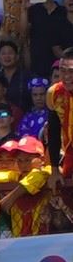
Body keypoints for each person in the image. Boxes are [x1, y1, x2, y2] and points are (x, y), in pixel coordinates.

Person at [27, 0, 65, 79]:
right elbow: (23, 33)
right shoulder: (33, 11)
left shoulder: (63, 11)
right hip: (38, 63)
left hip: (59, 64)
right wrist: (24, 9)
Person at [46, 47, 73, 186]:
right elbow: (54, 132)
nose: (67, 76)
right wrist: (55, 169)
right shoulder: (54, 93)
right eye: (63, 70)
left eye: (71, 71)